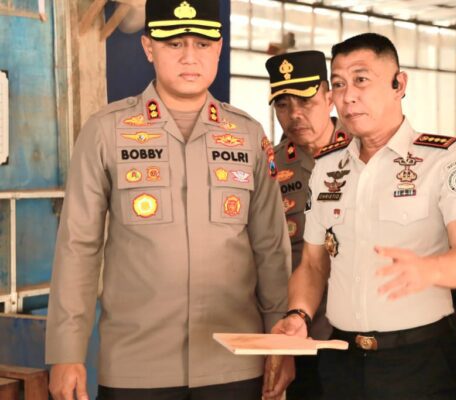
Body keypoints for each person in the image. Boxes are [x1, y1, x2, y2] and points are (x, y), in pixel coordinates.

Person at [45, 1, 292, 399]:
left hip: (234, 361)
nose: (189, 57)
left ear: (218, 48)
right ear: (149, 48)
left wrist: (280, 342)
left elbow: (270, 247)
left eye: (202, 44)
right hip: (137, 365)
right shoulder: (106, 132)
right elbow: (78, 246)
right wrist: (66, 352)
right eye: (174, 44)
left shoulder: (247, 135)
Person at [265, 33, 456, 400]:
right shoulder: (327, 167)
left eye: (361, 80)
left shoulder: (442, 159)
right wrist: (299, 315)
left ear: (399, 84)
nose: (348, 96)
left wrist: (429, 270)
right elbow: (314, 264)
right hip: (342, 361)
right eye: (339, 84)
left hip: (421, 359)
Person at [264, 50, 349, 400]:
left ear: (329, 98)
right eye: (283, 105)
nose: (294, 114)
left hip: (363, 325)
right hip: (305, 329)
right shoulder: (270, 167)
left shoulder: (365, 150)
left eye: (306, 101)